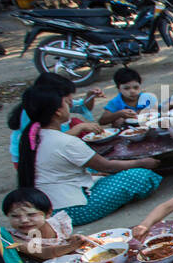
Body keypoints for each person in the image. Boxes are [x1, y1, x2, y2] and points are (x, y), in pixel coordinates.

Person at [16, 87, 160, 227]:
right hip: (72, 210)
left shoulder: (32, 137)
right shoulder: (65, 141)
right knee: (142, 176)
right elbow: (106, 165)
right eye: (66, 103)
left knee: (103, 177)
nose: (69, 106)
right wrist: (141, 162)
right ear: (58, 112)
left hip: (49, 204)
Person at [2, 187, 92, 261]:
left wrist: (75, 239)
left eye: (31, 214)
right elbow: (43, 253)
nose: (24, 220)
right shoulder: (13, 238)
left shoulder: (56, 224)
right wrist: (71, 246)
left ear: (48, 213)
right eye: (15, 216)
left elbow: (63, 240)